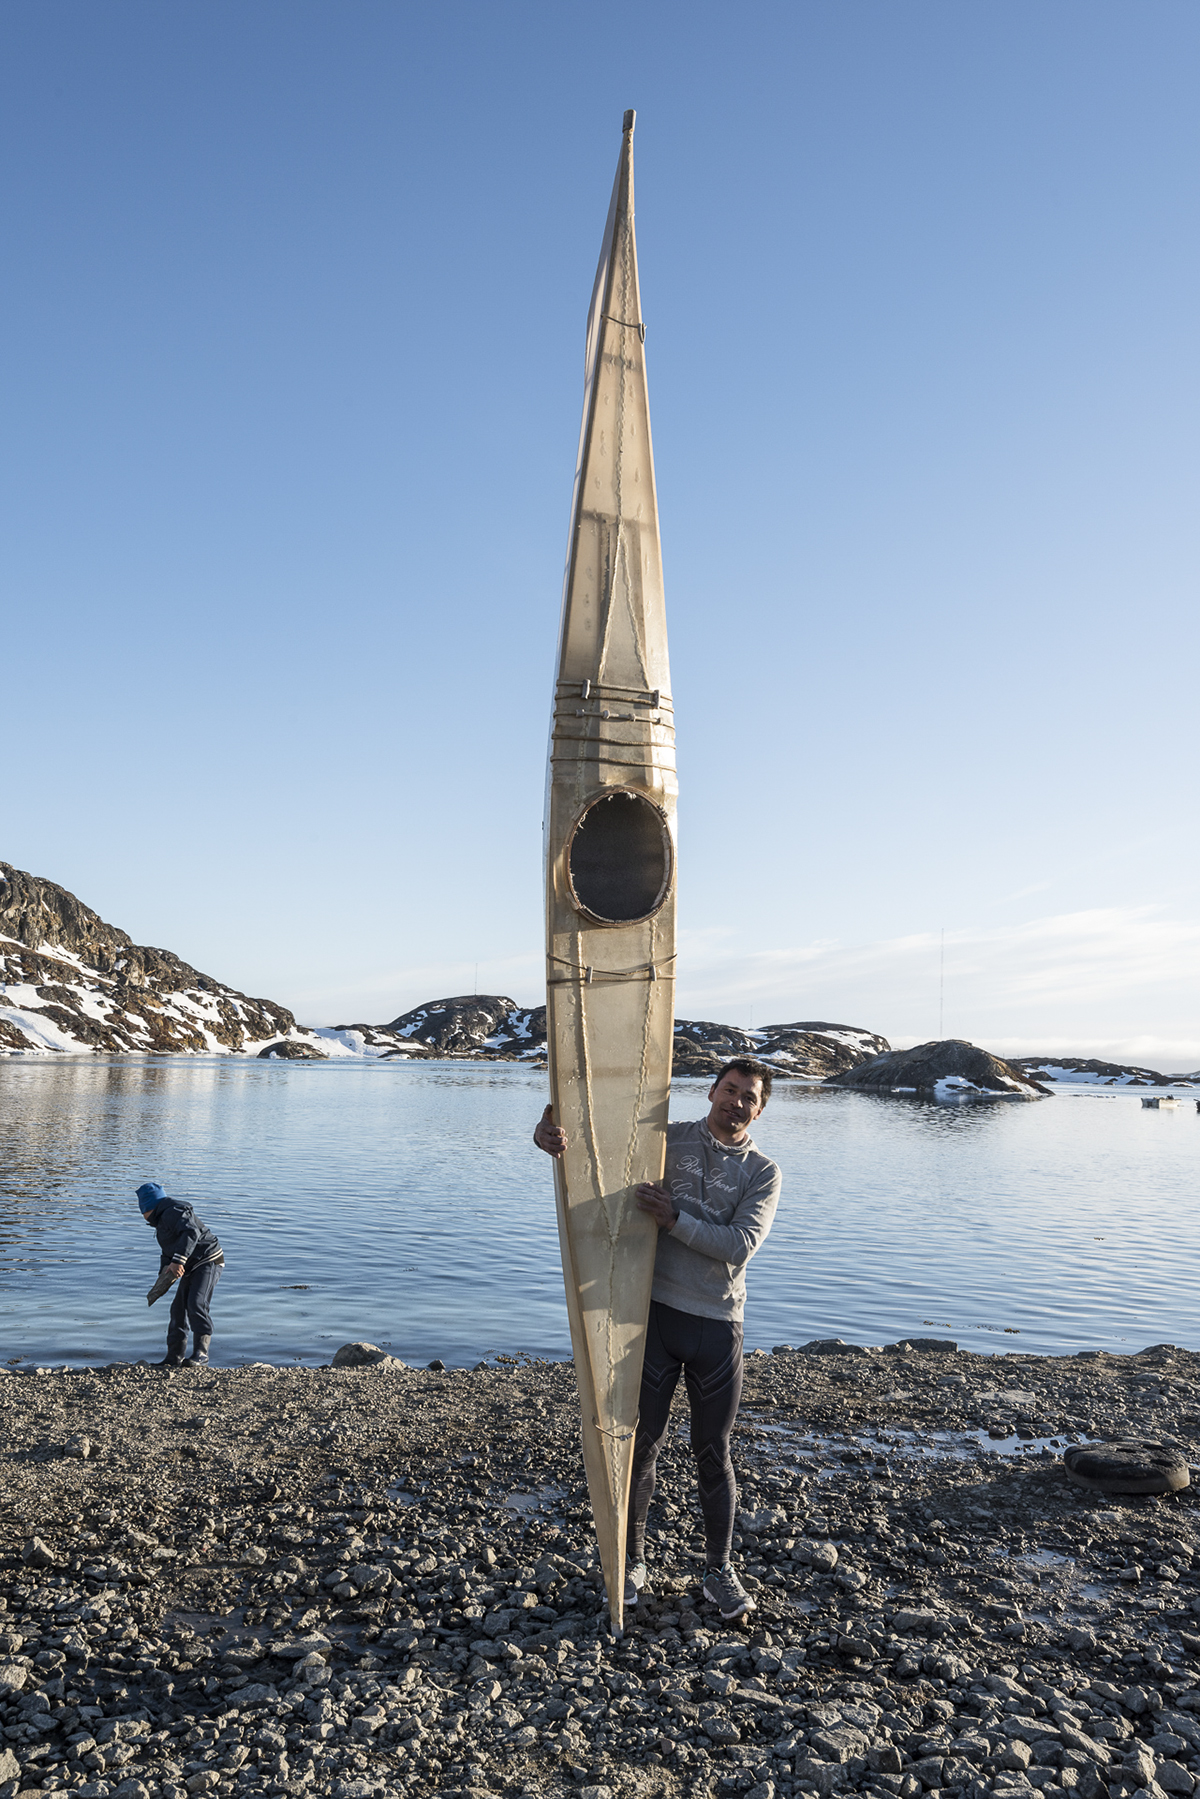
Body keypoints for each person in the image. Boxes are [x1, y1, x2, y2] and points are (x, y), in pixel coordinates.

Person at [534, 1057, 781, 1621]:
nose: (736, 1102)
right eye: (729, 1090)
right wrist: (548, 1137)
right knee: (640, 1444)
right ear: (712, 1092)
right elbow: (598, 1149)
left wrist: (675, 1221)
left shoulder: (763, 1172)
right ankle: (633, 1560)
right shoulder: (665, 1140)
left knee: (713, 1452)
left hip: (718, 1324)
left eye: (749, 1097)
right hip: (654, 1316)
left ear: (759, 1109)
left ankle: (718, 1569)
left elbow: (741, 1244)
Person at [136, 1182, 224, 1368]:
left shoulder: (172, 1211)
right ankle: (173, 1357)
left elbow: (191, 1232)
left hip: (208, 1260)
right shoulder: (161, 1221)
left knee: (196, 1303)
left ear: (147, 1206)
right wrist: (164, 1275)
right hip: (191, 1265)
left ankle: (201, 1354)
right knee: (178, 1309)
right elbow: (168, 1251)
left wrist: (179, 1261)